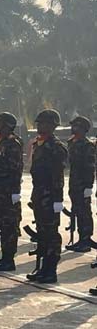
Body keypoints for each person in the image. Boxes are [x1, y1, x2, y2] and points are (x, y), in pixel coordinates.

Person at [27, 109, 67, 284]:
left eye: (43, 123)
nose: (39, 126)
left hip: (51, 196)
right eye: (39, 123)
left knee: (51, 234)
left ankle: (51, 269)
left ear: (52, 126)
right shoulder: (38, 144)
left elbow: (57, 175)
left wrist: (58, 199)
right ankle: (42, 267)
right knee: (42, 233)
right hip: (39, 195)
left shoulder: (57, 148)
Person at [0, 112, 23, 271]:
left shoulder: (13, 144)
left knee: (9, 225)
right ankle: (2, 257)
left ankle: (9, 259)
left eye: (0, 122)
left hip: (8, 190)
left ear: (7, 125)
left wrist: (15, 190)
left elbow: (16, 169)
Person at [65, 115, 95, 252]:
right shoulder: (73, 143)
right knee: (77, 211)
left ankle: (86, 239)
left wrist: (89, 186)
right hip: (74, 183)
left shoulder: (87, 145)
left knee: (84, 212)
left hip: (83, 184)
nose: (73, 128)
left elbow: (90, 167)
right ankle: (81, 238)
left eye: (75, 126)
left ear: (83, 129)